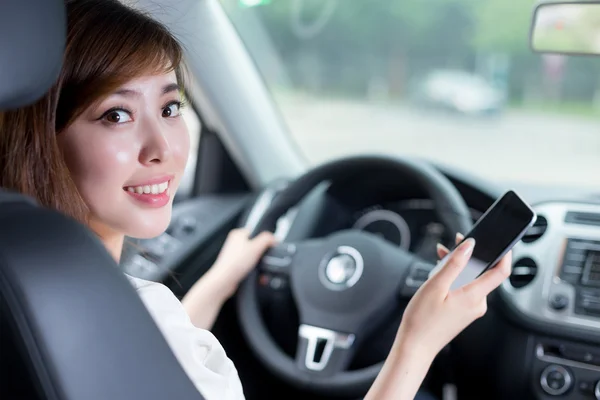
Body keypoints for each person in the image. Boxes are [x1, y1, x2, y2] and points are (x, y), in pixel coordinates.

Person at [0, 1, 512, 399]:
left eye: (172, 106)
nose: (164, 149)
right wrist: (418, 340)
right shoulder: (118, 309)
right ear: (42, 136)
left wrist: (222, 277)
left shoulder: (40, 291)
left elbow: (155, 352)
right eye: (116, 114)